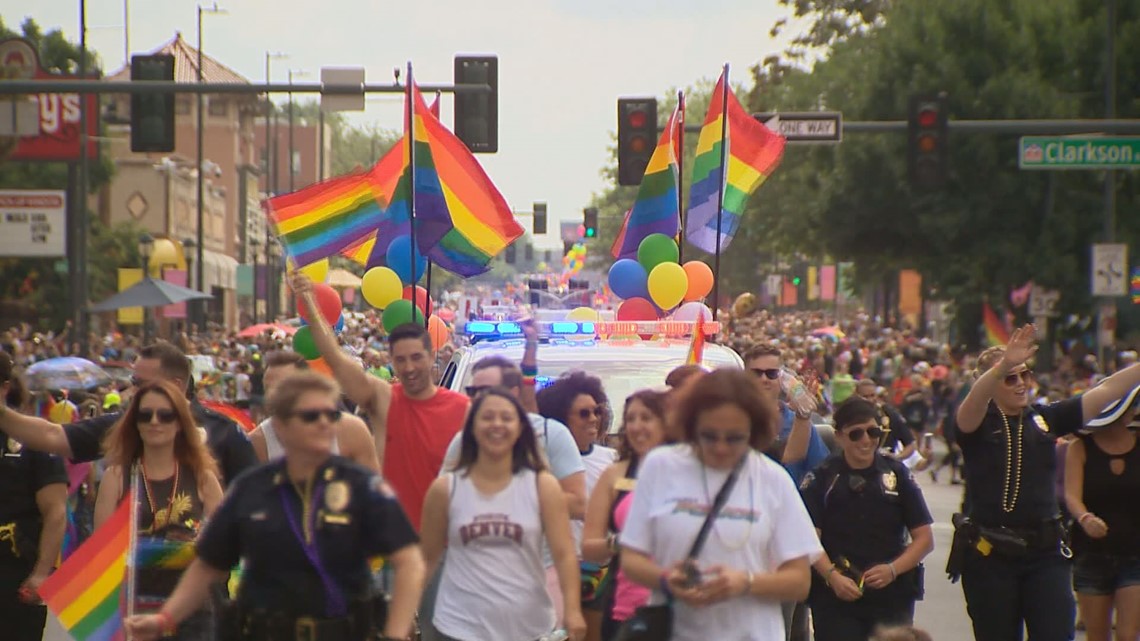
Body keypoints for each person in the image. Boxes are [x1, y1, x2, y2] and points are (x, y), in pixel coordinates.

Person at [125, 372, 425, 641]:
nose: (323, 423)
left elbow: (409, 560)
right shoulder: (251, 489)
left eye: (330, 414)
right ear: (280, 426)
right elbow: (206, 566)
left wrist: (396, 633)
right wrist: (165, 619)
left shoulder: (362, 487)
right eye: (309, 415)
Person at [950, 325, 1140, 641]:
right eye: (1011, 378)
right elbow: (974, 403)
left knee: (1055, 632)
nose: (1021, 383)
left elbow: (1105, 392)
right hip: (991, 556)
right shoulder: (976, 426)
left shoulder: (1046, 418)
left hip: (1045, 554)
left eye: (1025, 375)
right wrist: (1001, 367)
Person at [619, 368, 822, 641]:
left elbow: (799, 582)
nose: (722, 447)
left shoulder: (773, 479)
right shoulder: (661, 466)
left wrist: (746, 582)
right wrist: (666, 580)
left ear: (754, 431)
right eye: (710, 436)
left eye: (735, 437)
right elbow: (631, 558)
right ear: (691, 425)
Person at [291, 272, 468, 529]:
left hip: (447, 543)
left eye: (417, 357)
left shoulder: (463, 409)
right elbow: (335, 357)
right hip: (393, 542)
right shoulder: (383, 399)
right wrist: (310, 304)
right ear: (392, 362)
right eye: (401, 360)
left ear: (432, 356)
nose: (409, 367)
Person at [420, 387, 586, 641]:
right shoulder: (445, 489)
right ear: (472, 428)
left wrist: (573, 611)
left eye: (506, 418)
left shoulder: (543, 487)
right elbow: (426, 558)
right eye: (487, 417)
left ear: (520, 428)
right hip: (458, 627)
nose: (496, 424)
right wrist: (406, 610)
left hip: (528, 627)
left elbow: (564, 554)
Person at [0, 342, 257, 486]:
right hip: (135, 573)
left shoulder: (225, 433)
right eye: (133, 380)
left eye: (141, 382)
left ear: (177, 385)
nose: (133, 390)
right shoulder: (125, 425)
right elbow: (52, 435)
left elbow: (250, 500)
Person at [94, 379, 224, 640]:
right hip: (134, 609)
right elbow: (102, 553)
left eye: (165, 415)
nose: (155, 422)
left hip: (192, 612)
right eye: (145, 415)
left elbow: (227, 545)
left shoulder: (202, 477)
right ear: (135, 423)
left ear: (179, 423)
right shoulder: (117, 476)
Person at [800, 398, 934, 641]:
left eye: (873, 432)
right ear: (839, 436)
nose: (866, 440)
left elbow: (924, 538)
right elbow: (809, 540)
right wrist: (832, 576)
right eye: (856, 434)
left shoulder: (896, 474)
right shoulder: (822, 477)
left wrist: (893, 570)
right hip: (837, 596)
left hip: (890, 596)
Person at [580, 388, 670, 640]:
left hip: (678, 607)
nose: (637, 426)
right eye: (630, 419)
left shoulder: (687, 472)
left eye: (646, 418)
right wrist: (620, 542)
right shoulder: (614, 475)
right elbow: (588, 547)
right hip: (625, 607)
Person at [537, 371, 617, 633]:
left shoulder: (613, 460)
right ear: (560, 419)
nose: (593, 419)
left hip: (602, 573)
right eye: (583, 413)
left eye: (597, 411)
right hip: (554, 572)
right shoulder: (541, 462)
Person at [1063, 385, 1140, 641]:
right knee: (1097, 634)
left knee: (1128, 635)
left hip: (1135, 551)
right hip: (1092, 552)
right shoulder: (1080, 448)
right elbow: (1071, 494)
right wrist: (1085, 518)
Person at [0, 352, 67, 640]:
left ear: (4, 387)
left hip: (15, 572)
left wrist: (41, 572)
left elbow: (56, 512)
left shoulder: (32, 438)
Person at [248, 351, 379, 471]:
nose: (272, 395)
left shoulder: (350, 430)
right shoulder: (259, 441)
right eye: (268, 388)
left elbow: (374, 490)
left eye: (282, 387)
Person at [855, 378, 917, 464]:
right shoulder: (848, 416)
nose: (870, 400)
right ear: (857, 396)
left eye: (872, 395)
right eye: (865, 397)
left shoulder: (890, 415)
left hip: (885, 467)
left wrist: (897, 458)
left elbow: (910, 444)